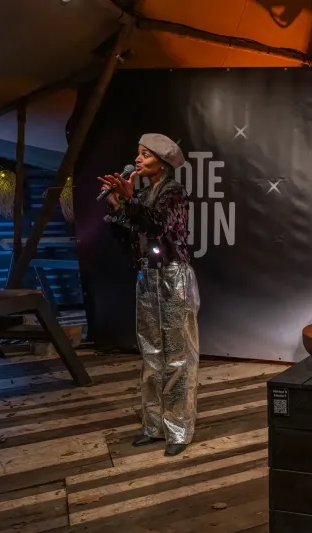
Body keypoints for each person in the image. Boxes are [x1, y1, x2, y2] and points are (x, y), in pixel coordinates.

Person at [98, 133, 200, 457]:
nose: (138, 158)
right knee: (151, 353)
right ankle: (154, 426)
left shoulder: (173, 193)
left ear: (162, 160)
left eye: (145, 154)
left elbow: (158, 227)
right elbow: (129, 235)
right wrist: (118, 206)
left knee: (178, 354)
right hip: (147, 276)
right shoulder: (141, 194)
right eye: (138, 153)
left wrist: (130, 202)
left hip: (172, 275)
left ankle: (179, 429)